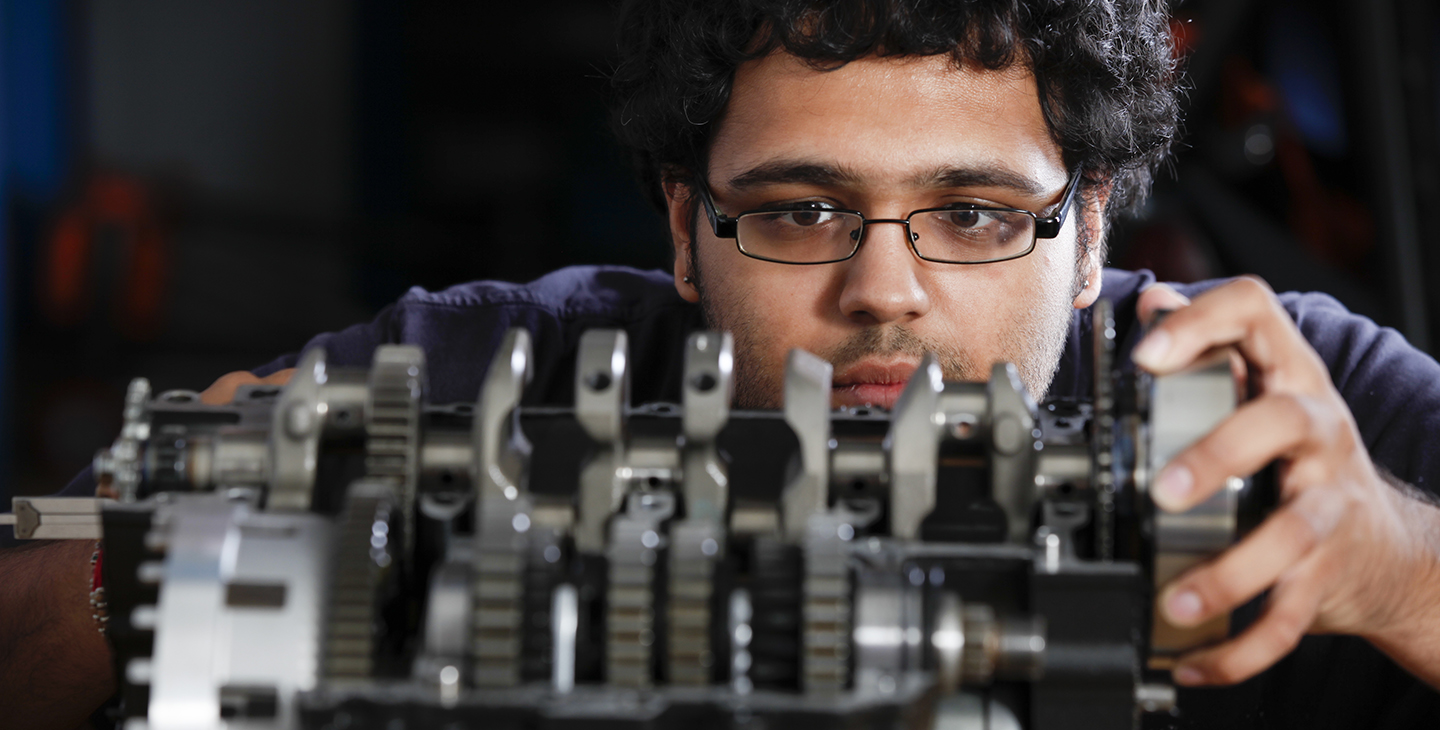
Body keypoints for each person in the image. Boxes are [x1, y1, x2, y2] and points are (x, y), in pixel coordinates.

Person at [4, 1, 1440, 728]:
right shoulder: (492, 370)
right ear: (688, 227)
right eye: (802, 209)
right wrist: (149, 548)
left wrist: (1391, 564)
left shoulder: (1281, 410)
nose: (887, 291)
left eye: (975, 213)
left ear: (1093, 227)